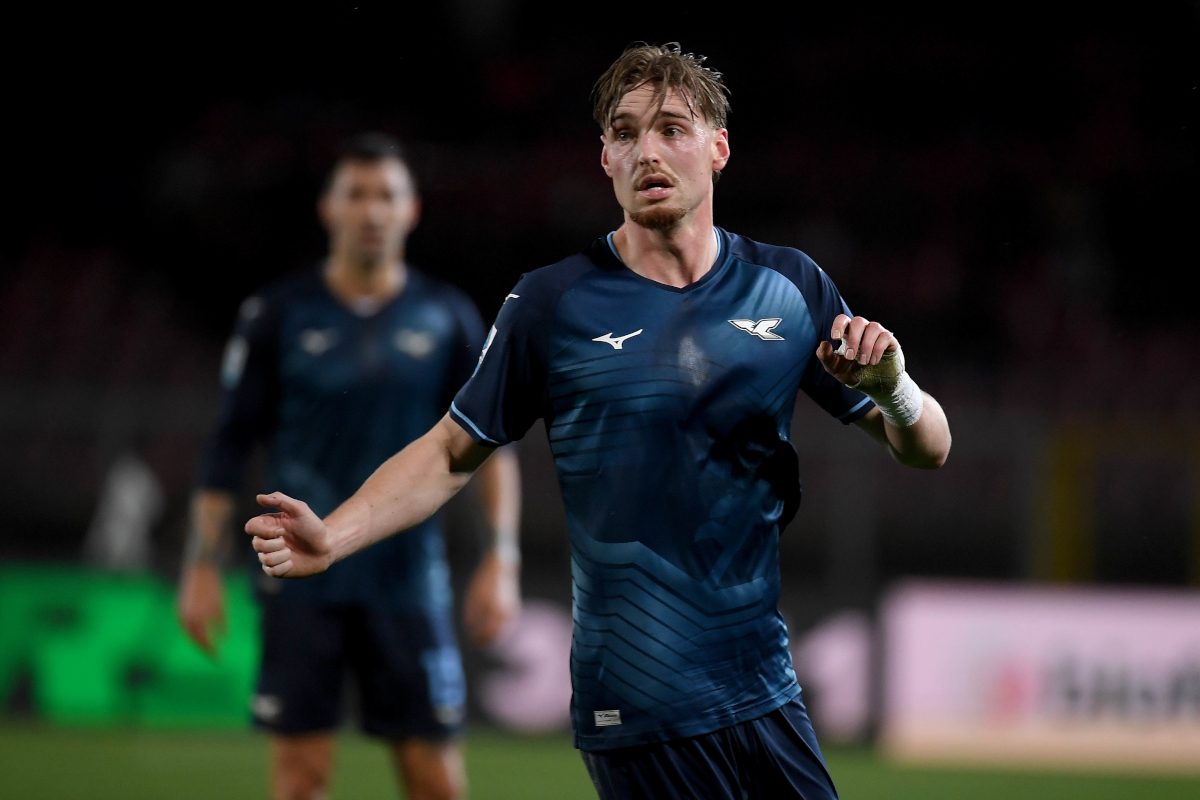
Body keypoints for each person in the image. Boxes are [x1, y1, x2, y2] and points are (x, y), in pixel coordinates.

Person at [244, 45, 951, 800]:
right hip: (639, 701)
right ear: (605, 158)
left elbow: (927, 447)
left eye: (673, 128)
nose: (649, 149)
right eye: (627, 131)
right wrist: (335, 535)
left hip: (764, 688)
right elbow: (452, 451)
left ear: (718, 149)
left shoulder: (789, 288)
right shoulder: (554, 305)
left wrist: (895, 386)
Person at [177, 133, 522, 800]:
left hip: (408, 582)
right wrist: (199, 566)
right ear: (328, 209)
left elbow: (488, 445)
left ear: (411, 210)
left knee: (436, 782)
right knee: (301, 778)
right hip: (300, 584)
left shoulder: (447, 317)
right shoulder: (276, 315)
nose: (372, 211)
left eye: (386, 196)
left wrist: (500, 558)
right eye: (356, 195)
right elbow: (226, 448)